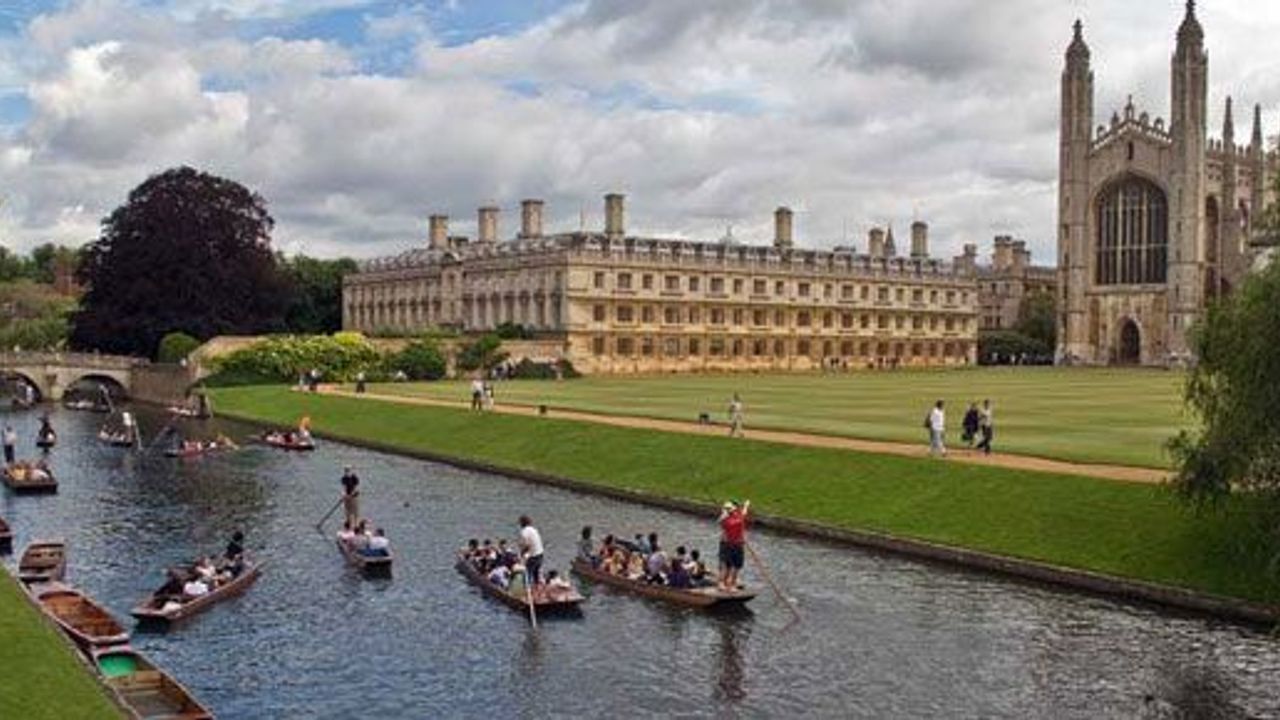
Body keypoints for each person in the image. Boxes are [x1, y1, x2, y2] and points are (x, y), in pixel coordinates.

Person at [718, 500, 750, 592]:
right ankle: (724, 583)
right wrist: (725, 514)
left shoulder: (736, 517)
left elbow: (743, 514)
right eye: (728, 509)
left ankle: (730, 584)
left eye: (731, 509)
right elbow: (741, 517)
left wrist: (746, 506)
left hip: (737, 545)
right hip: (731, 545)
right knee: (729, 565)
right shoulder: (727, 521)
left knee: (735, 566)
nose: (733, 511)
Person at [518, 515, 544, 585]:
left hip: (533, 556)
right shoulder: (534, 530)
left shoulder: (524, 532)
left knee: (527, 574)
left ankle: (528, 589)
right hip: (540, 554)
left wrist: (521, 555)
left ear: (522, 523)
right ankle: (537, 587)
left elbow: (527, 546)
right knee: (536, 574)